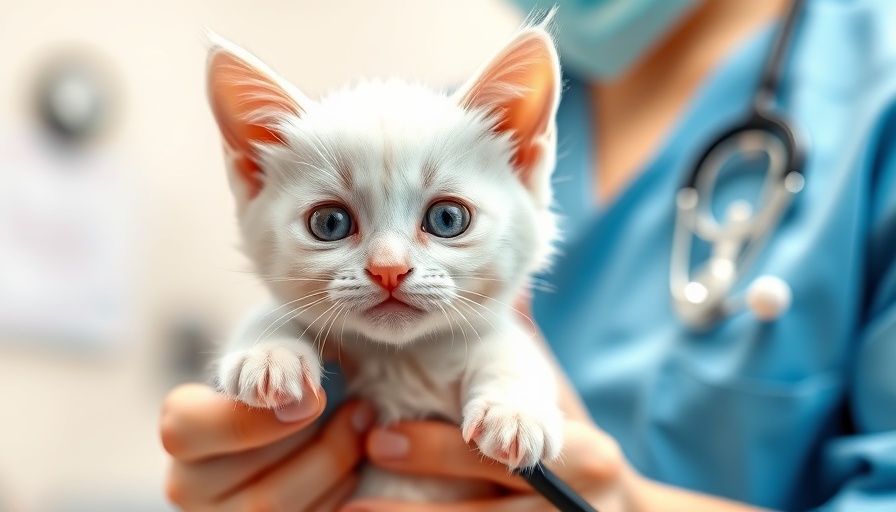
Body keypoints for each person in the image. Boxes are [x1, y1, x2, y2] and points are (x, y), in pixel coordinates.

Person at [159, 0, 896, 510]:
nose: (388, 265)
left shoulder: (874, 91)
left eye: (444, 219)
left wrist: (626, 506)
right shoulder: (433, 125)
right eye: (332, 223)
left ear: (527, 156)